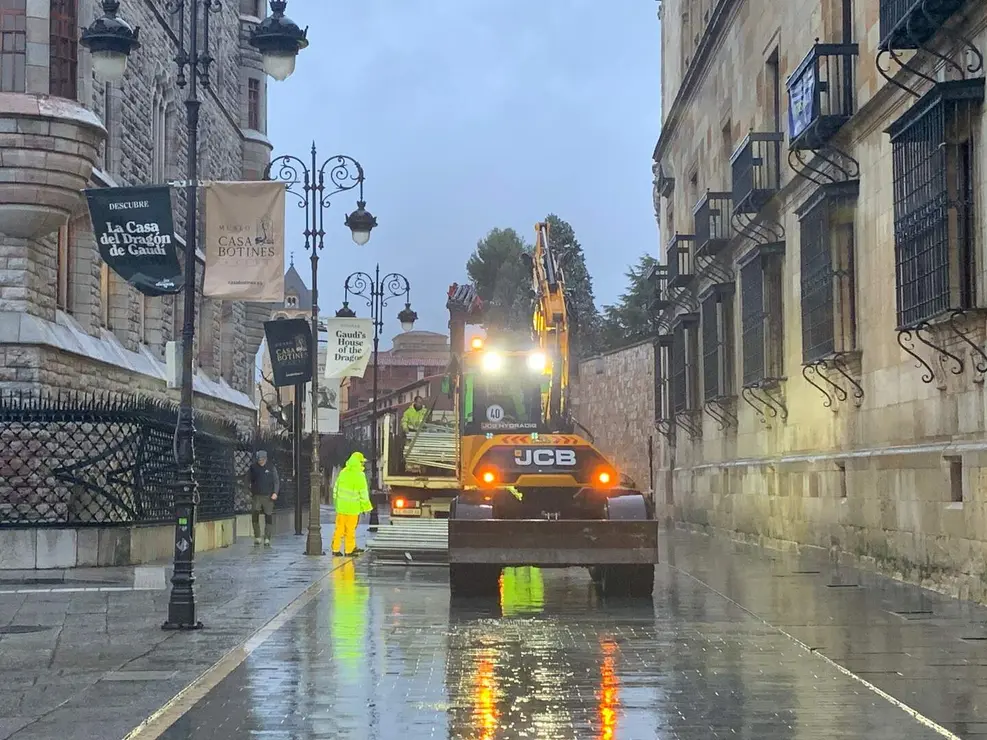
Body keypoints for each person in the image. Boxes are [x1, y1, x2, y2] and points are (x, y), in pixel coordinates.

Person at [332, 451, 373, 557]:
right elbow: (363, 494)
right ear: (358, 463)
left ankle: (335, 549)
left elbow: (335, 489)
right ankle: (349, 550)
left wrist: (336, 503)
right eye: (362, 462)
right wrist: (366, 508)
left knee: (339, 529)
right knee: (350, 530)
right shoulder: (360, 475)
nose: (363, 464)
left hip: (341, 508)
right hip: (352, 509)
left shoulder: (343, 472)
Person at [248, 450, 280, 547]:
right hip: (256, 496)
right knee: (255, 515)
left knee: (268, 516)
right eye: (259, 459)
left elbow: (276, 481)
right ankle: (257, 536)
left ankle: (267, 538)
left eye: (262, 459)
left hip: (268, 496)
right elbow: (247, 479)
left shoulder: (271, 468)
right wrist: (248, 492)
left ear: (265, 459)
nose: (260, 461)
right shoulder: (253, 468)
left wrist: (275, 492)